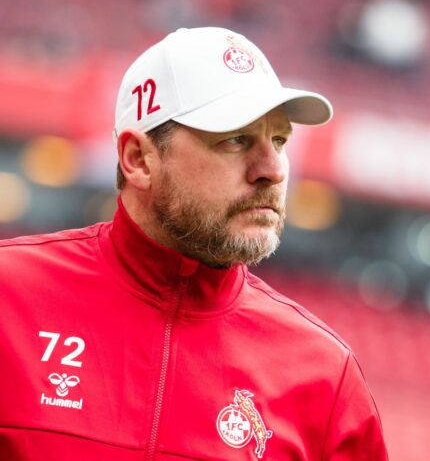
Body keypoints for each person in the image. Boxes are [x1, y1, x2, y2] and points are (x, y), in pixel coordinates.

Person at [0, 27, 387, 460]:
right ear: (138, 159)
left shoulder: (324, 376)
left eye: (279, 140)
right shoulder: (8, 298)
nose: (273, 169)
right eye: (235, 139)